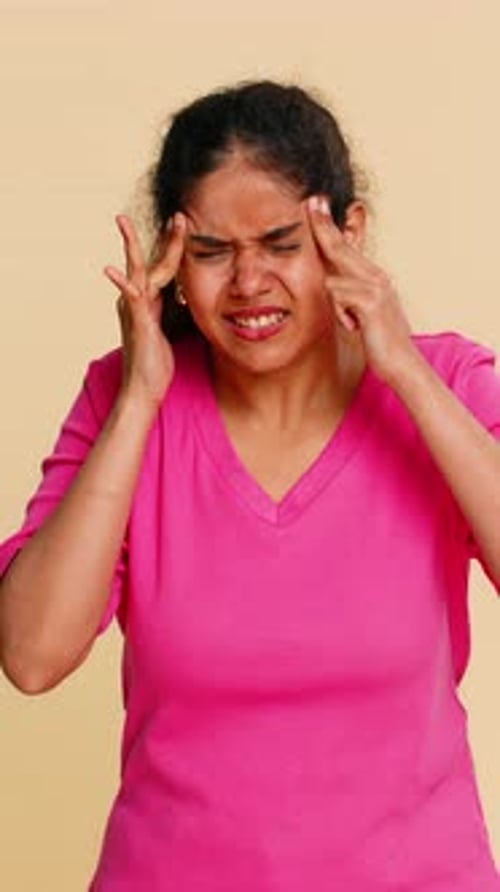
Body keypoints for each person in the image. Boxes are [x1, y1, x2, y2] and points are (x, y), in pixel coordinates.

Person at [0, 79, 499, 891]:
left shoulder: (445, 383)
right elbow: (30, 654)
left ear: (347, 233)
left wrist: (401, 365)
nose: (248, 283)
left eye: (280, 243)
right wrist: (139, 398)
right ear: (171, 260)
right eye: (211, 253)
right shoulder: (124, 397)